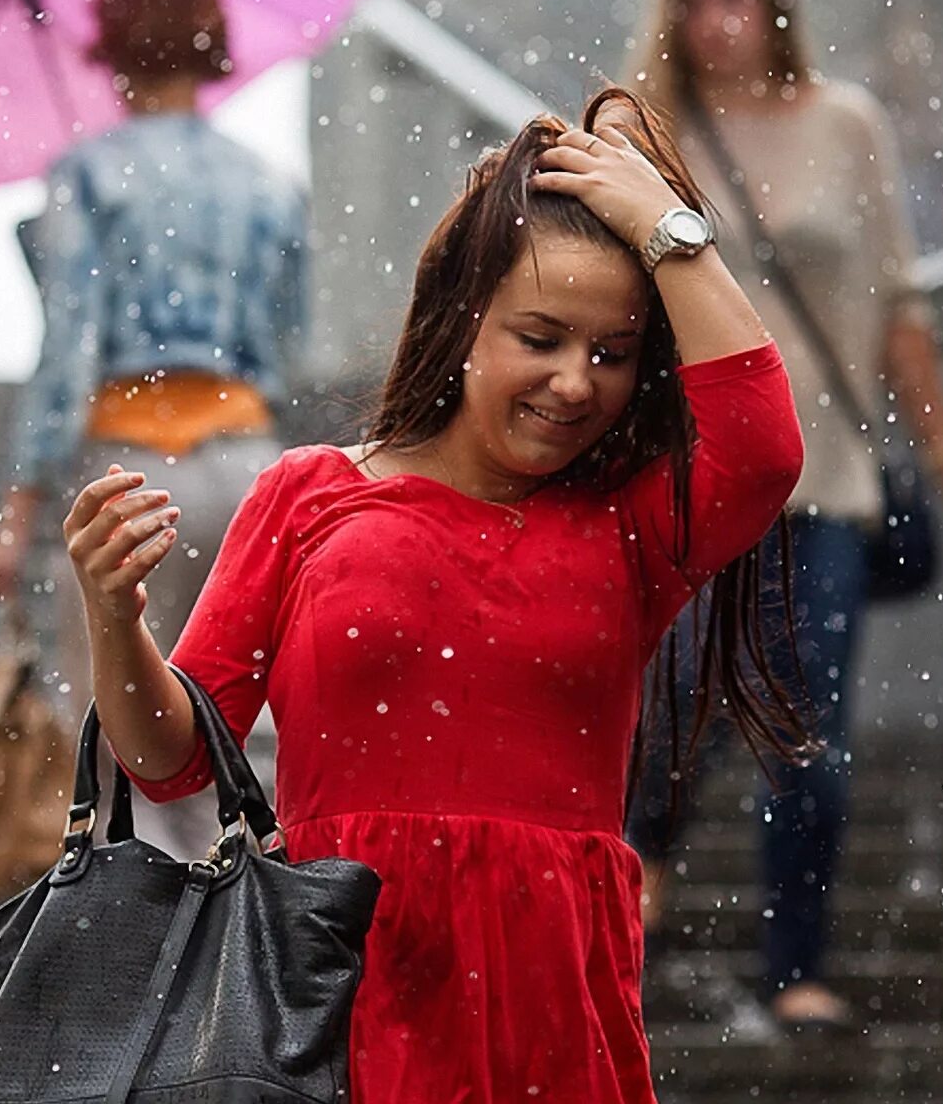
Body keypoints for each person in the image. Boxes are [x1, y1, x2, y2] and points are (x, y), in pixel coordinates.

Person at [63, 84, 811, 1102]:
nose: (576, 382)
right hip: (344, 985)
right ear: (465, 325)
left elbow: (764, 451)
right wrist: (114, 620)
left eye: (612, 354)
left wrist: (670, 233)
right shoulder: (308, 493)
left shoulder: (628, 526)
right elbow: (173, 762)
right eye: (539, 338)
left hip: (554, 1001)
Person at [624, 0, 943, 1033]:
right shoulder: (656, 131)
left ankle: (794, 966)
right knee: (661, 728)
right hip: (686, 482)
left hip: (822, 486)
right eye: (692, 0)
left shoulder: (846, 125)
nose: (713, 22)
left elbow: (899, 308)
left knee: (808, 740)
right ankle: (621, 929)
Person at [0, 0, 306, 856]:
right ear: (215, 50)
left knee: (125, 726)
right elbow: (287, 344)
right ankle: (255, 922)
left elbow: (68, 350)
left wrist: (17, 513)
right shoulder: (269, 183)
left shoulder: (89, 174)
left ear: (111, 51)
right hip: (246, 461)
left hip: (130, 468)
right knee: (244, 718)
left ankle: (159, 947)